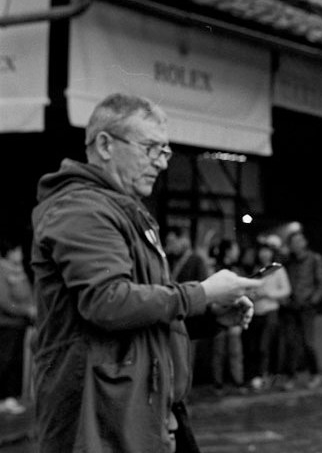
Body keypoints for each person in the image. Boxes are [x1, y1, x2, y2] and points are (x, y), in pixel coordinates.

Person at [30, 93, 261, 452]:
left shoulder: (122, 210)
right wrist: (202, 294)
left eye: (164, 151)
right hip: (100, 424)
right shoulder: (81, 209)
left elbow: (145, 311)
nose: (161, 163)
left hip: (133, 415)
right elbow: (107, 303)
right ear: (105, 145)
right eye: (151, 148)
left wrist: (208, 315)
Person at [279, 229, 322, 390]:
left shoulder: (314, 259)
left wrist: (313, 301)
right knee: (290, 343)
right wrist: (285, 300)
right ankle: (290, 376)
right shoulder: (288, 261)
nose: (296, 245)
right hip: (291, 306)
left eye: (299, 241)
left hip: (307, 306)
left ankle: (315, 374)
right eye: (293, 243)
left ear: (305, 242)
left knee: (308, 343)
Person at [243, 235, 291, 391]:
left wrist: (269, 293)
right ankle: (256, 376)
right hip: (256, 311)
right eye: (262, 251)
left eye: (267, 251)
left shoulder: (277, 269)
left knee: (266, 346)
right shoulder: (256, 269)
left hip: (271, 311)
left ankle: (266, 376)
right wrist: (253, 295)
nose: (264, 254)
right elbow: (248, 289)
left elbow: (286, 290)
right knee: (254, 346)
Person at [0, 238, 34, 416]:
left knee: (16, 361)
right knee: (4, 360)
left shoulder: (18, 271)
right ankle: (3, 397)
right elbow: (4, 301)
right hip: (6, 324)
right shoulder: (2, 270)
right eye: (17, 250)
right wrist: (26, 310)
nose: (20, 254)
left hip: (19, 324)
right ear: (9, 252)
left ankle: (10, 397)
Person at [209, 239, 246, 394]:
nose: (237, 251)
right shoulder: (214, 269)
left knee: (234, 351)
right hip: (219, 316)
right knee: (219, 352)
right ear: (228, 250)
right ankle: (218, 384)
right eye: (235, 248)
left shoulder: (237, 269)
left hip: (234, 316)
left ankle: (238, 382)